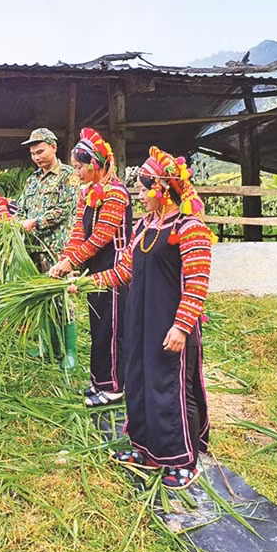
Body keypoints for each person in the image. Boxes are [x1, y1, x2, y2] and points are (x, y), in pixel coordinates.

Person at [84, 146, 213, 489]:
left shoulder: (190, 228)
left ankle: (183, 460)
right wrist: (85, 283)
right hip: (140, 320)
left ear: (163, 189)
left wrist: (182, 326)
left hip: (170, 324)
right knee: (139, 380)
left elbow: (197, 283)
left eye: (143, 190)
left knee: (170, 386)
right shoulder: (144, 225)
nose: (139, 196)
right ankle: (145, 450)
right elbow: (124, 270)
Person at [49, 128, 132, 407]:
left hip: (116, 267)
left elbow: (101, 236)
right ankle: (100, 381)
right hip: (95, 266)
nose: (77, 172)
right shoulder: (86, 193)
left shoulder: (116, 193)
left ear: (95, 163)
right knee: (98, 325)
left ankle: (115, 387)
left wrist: (72, 261)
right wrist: (65, 259)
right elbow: (79, 232)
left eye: (79, 167)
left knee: (112, 326)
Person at [18, 127, 80, 368]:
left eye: (40, 151)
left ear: (54, 147)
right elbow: (21, 208)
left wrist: (35, 222)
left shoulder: (68, 176)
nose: (36, 157)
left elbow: (65, 208)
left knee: (61, 298)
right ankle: (48, 347)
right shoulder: (32, 180)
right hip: (33, 248)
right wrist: (15, 224)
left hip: (56, 248)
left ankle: (70, 352)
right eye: (33, 154)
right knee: (41, 297)